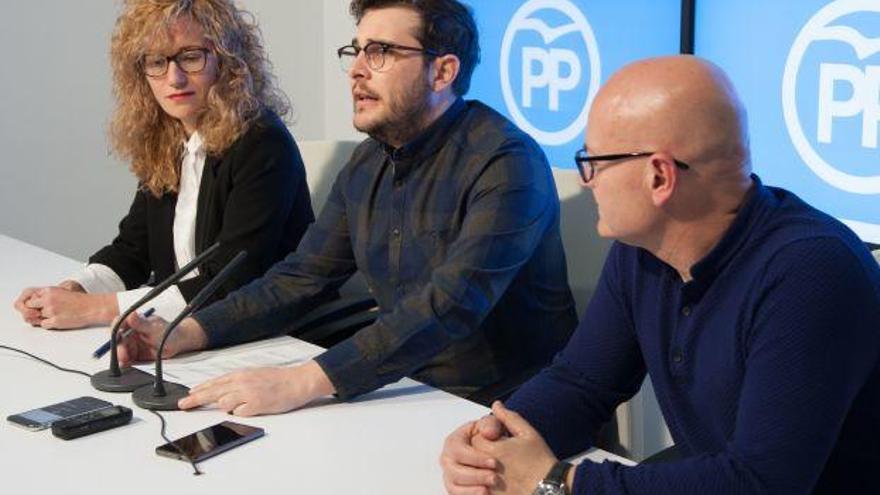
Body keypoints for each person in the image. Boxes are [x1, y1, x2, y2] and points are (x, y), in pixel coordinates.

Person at [440, 55, 880, 494]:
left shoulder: (811, 273)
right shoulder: (643, 250)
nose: (587, 181)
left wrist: (559, 482)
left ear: (659, 176)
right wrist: (495, 438)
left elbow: (761, 483)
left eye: (592, 161)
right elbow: (582, 382)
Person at [115, 0, 578, 416]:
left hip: (503, 409)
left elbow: (449, 305)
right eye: (355, 52)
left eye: (380, 52)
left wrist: (305, 380)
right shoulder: (367, 160)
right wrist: (187, 332)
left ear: (443, 72)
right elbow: (301, 277)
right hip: (398, 392)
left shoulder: (506, 162)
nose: (357, 69)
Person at [12, 0, 313, 329]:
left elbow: (229, 280)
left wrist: (91, 309)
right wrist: (74, 289)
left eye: (191, 57)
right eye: (157, 61)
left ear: (226, 61)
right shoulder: (168, 140)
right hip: (184, 332)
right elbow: (133, 250)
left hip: (265, 336)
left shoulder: (262, 142)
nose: (175, 78)